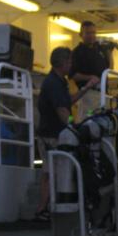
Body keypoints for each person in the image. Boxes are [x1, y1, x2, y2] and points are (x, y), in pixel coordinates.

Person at [34, 47, 99, 221]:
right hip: (51, 136)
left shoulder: (59, 81)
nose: (71, 65)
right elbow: (62, 110)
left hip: (56, 134)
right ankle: (42, 208)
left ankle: (47, 206)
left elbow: (68, 101)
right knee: (49, 173)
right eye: (69, 61)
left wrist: (86, 88)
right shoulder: (53, 83)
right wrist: (72, 126)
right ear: (62, 63)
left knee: (53, 171)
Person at [70, 21, 106, 120]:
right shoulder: (77, 52)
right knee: (87, 123)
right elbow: (72, 75)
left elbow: (108, 69)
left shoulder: (100, 50)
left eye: (93, 33)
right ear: (81, 34)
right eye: (88, 33)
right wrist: (90, 78)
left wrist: (110, 53)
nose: (91, 35)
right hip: (87, 94)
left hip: (103, 94)